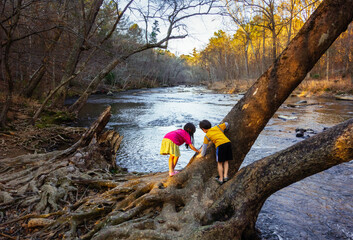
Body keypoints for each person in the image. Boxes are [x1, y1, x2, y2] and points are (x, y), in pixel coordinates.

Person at [199, 120, 233, 185]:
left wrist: (202, 155)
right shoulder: (217, 127)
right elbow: (226, 124)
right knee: (226, 161)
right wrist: (224, 130)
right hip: (228, 143)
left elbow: (204, 148)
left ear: (203, 129)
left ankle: (221, 178)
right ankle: (225, 176)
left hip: (220, 146)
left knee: (220, 163)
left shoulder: (206, 136)